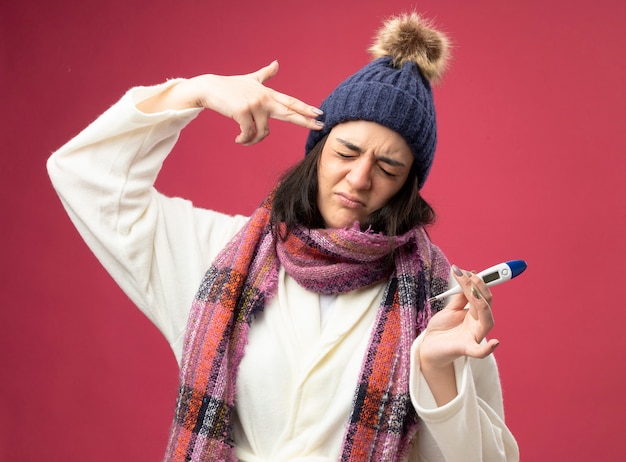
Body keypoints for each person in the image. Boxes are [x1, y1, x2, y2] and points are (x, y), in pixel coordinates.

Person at [47, 12, 519, 462]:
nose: (358, 179)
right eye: (346, 152)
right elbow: (82, 175)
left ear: (407, 186)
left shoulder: (439, 303)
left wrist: (438, 375)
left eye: (388, 167)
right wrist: (193, 92)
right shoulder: (215, 254)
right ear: (317, 150)